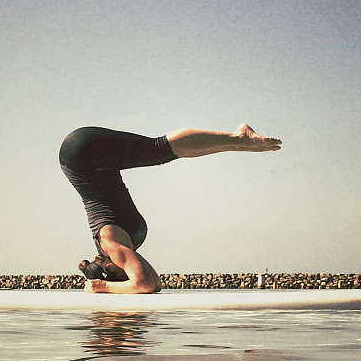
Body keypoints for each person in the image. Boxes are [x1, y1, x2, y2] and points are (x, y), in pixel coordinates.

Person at [59, 124, 281, 294]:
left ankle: (239, 138)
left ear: (111, 270)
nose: (127, 274)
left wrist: (105, 288)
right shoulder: (117, 244)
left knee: (158, 149)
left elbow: (145, 284)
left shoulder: (111, 245)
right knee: (156, 150)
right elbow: (154, 282)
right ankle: (237, 140)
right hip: (93, 163)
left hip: (81, 157)